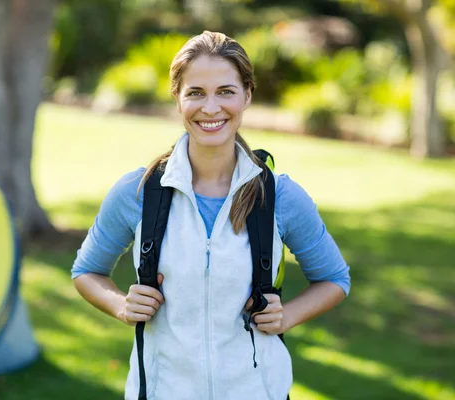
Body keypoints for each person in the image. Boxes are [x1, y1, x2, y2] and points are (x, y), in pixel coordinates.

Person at [71, 31, 351, 400]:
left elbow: (334, 278)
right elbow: (86, 271)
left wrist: (288, 316)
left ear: (247, 95)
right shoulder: (137, 193)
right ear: (178, 99)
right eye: (196, 93)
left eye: (226, 91)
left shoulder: (279, 197)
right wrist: (121, 305)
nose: (211, 107)